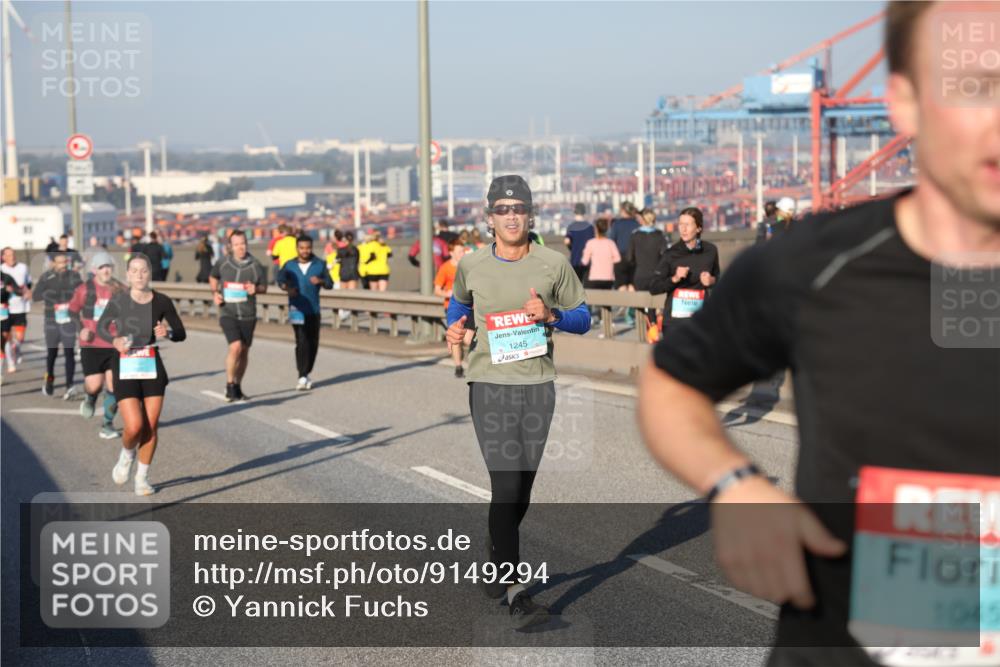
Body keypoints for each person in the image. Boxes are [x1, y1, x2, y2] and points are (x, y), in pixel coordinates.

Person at [639, 3, 999, 665]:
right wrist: (735, 484)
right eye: (975, 87)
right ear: (906, 105)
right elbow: (669, 382)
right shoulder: (813, 268)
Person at [446, 175, 591, 628]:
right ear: (489, 219)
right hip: (489, 383)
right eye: (502, 209)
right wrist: (454, 328)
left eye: (519, 208)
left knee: (522, 489)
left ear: (531, 215)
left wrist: (552, 315)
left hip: (537, 385)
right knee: (506, 486)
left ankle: (496, 546)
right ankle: (514, 589)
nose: (511, 216)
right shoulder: (471, 265)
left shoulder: (553, 264)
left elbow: (584, 318)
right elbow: (458, 307)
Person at [97, 253, 186, 496]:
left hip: (151, 364)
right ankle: (126, 455)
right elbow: (102, 327)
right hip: (125, 365)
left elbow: (181, 332)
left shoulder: (162, 301)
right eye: (134, 271)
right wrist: (114, 339)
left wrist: (167, 332)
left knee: (151, 425)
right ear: (127, 274)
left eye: (143, 270)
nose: (139, 275)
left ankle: (142, 478)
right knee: (134, 426)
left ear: (150, 273)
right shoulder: (119, 300)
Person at [69, 251, 125, 439]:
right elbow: (72, 312)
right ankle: (90, 398)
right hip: (91, 344)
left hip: (113, 344)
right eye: (102, 267)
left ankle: (107, 424)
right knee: (94, 385)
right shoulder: (84, 290)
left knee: (114, 385)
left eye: (108, 266)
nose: (106, 270)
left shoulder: (119, 289)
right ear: (94, 270)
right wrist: (80, 330)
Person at [209, 229, 268, 402]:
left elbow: (264, 287)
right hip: (228, 312)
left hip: (248, 314)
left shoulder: (255, 265)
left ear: (246, 244)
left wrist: (255, 289)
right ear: (230, 246)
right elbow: (213, 277)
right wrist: (215, 293)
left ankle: (238, 385)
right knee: (235, 346)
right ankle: (229, 385)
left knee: (244, 351)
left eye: (242, 243)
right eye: (236, 245)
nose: (240, 247)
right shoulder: (223, 263)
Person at [647, 207, 719, 328]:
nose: (683, 229)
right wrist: (674, 278)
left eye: (688, 225)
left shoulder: (710, 250)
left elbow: (718, 278)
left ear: (698, 228)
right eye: (680, 224)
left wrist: (711, 280)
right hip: (674, 324)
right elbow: (653, 288)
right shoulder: (670, 254)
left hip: (700, 322)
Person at [277, 235, 332, 390]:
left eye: (308, 248)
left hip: (314, 310)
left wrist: (320, 281)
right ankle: (302, 375)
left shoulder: (320, 264)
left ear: (311, 248)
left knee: (313, 343)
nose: (305, 251)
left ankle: (306, 372)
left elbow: (330, 284)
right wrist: (287, 288)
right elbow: (280, 280)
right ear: (297, 248)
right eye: (302, 248)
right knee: (301, 341)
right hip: (296, 309)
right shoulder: (289, 265)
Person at [33, 252, 83, 398]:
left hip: (68, 319)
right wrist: (51, 295)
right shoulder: (46, 277)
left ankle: (70, 385)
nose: (63, 265)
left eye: (65, 262)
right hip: (51, 320)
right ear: (53, 263)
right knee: (52, 354)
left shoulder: (74, 276)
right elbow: (36, 296)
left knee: (69, 352)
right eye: (60, 262)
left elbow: (83, 292)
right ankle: (49, 381)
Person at [629, 208, 668, 342]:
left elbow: (629, 258)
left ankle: (651, 329)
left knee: (643, 305)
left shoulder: (635, 235)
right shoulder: (659, 235)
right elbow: (665, 256)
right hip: (655, 275)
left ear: (643, 219)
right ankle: (656, 322)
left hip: (640, 275)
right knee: (654, 302)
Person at [434, 238, 471, 378]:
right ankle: (458, 366)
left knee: (468, 339)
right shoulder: (445, 268)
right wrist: (447, 293)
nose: (463, 253)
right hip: (452, 308)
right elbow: (437, 290)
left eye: (463, 250)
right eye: (460, 251)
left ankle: (473, 364)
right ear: (451, 252)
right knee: (456, 338)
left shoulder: (468, 266)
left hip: (470, 307)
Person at [607, 201, 640, 323]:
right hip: (635, 257)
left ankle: (626, 307)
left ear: (623, 211)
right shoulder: (637, 224)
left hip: (619, 257)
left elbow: (611, 241)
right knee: (632, 284)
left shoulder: (617, 224)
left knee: (621, 283)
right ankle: (630, 311)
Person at [2, 247, 32, 374]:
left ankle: (17, 348)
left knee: (19, 338)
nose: (11, 257)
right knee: (6, 338)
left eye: (13, 254)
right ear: (3, 257)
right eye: (8, 255)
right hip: (5, 309)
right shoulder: (2, 269)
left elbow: (28, 283)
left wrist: (27, 292)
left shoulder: (23, 267)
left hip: (20, 307)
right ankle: (10, 362)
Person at [564, 203, 595, 283]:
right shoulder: (590, 227)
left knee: (576, 283)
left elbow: (567, 241)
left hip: (575, 259)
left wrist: (572, 248)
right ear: (584, 212)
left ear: (575, 212)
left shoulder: (571, 226)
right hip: (588, 260)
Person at [1, 270, 22, 384]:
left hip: (3, 314)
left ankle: (5, 368)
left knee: (4, 341)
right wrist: (4, 290)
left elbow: (18, 291)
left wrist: (14, 290)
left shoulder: (6, 277)